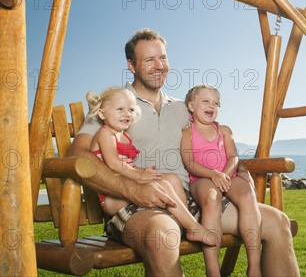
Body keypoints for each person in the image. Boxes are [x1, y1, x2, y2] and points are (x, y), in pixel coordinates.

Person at [67, 28, 300, 276]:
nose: (159, 66)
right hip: (138, 205)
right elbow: (78, 156)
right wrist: (132, 189)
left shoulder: (183, 108)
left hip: (192, 201)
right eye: (149, 60)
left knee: (277, 222)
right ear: (131, 65)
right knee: (162, 236)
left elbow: (212, 143)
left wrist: (235, 167)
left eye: (163, 58)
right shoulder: (116, 105)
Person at [86, 86, 216, 246]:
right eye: (120, 109)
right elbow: (114, 164)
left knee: (170, 179)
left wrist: (143, 171)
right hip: (112, 197)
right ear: (102, 113)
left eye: (131, 110)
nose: (127, 114)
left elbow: (128, 166)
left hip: (127, 187)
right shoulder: (105, 133)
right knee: (162, 185)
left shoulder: (124, 135)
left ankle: (181, 222)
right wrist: (140, 176)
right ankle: (193, 227)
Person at [181, 84, 262, 277]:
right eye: (206, 101)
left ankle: (254, 265)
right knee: (211, 197)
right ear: (191, 106)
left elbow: (233, 156)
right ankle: (213, 270)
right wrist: (213, 175)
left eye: (216, 103)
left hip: (227, 175)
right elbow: (190, 163)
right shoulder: (187, 133)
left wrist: (224, 174)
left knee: (247, 193)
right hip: (201, 179)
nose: (212, 106)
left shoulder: (224, 130)